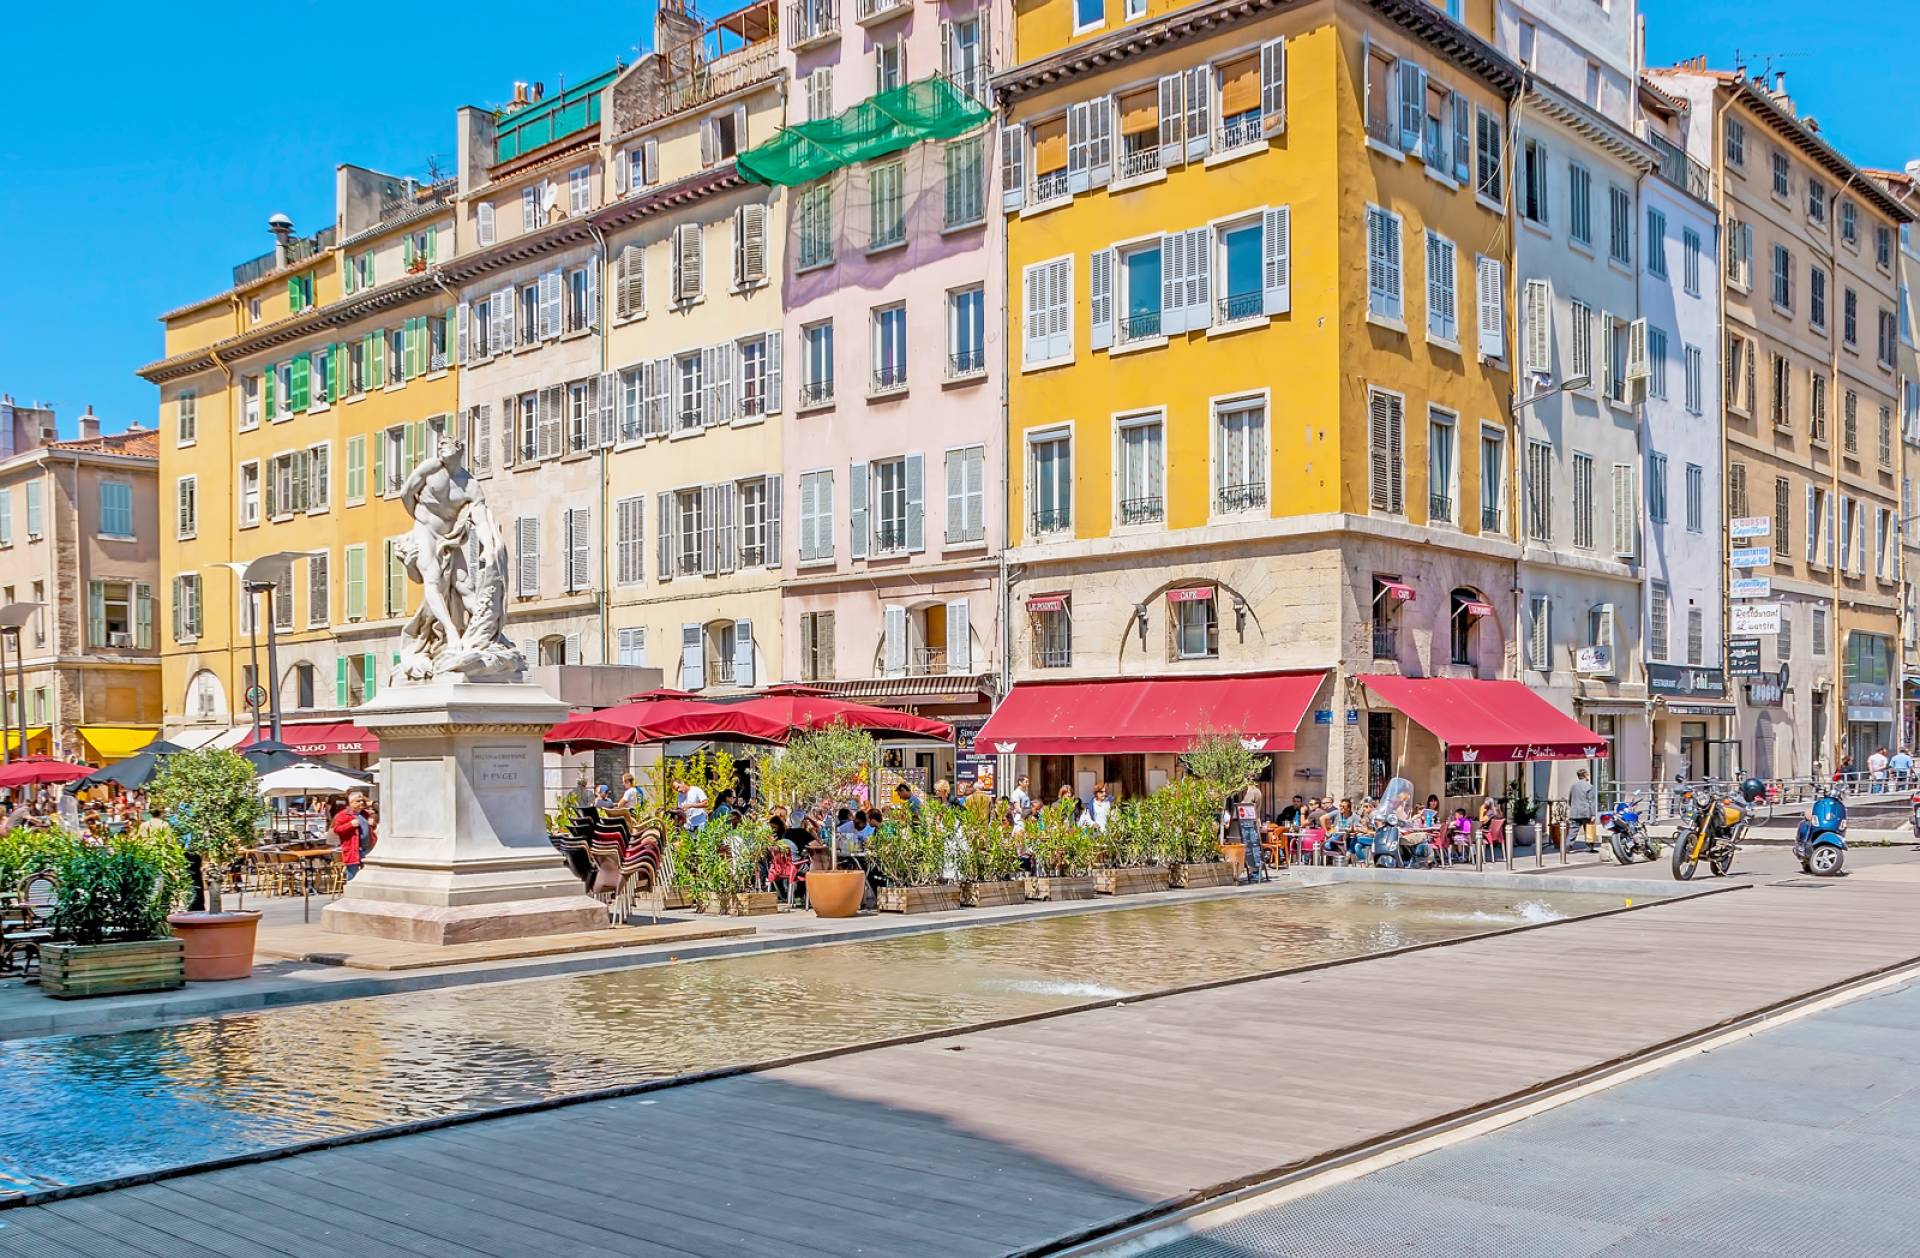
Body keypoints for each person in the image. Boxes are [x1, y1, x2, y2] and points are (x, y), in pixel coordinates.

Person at [332, 792, 371, 881]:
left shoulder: (365, 814)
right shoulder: (343, 814)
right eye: (358, 801)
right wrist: (350, 825)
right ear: (351, 802)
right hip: (353, 849)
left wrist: (373, 824)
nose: (361, 803)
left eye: (362, 801)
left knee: (366, 875)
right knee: (353, 874)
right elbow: (336, 829)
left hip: (366, 849)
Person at [1235, 779, 1265, 882]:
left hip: (1249, 824)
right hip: (1255, 822)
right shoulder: (1258, 791)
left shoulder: (1251, 792)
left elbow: (1244, 806)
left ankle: (1255, 872)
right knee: (1255, 848)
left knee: (1251, 848)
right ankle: (1256, 871)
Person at [1568, 769, 1598, 853]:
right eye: (1587, 774)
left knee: (1573, 830)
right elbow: (1591, 801)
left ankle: (1567, 846)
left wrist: (1572, 808)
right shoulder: (1590, 787)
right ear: (1585, 775)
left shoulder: (1573, 786)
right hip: (1586, 812)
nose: (1588, 776)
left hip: (1575, 812)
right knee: (1589, 829)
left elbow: (1570, 799)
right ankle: (1590, 848)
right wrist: (1593, 814)